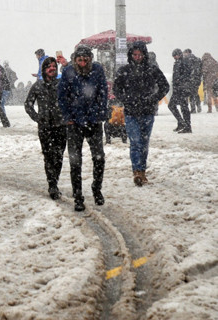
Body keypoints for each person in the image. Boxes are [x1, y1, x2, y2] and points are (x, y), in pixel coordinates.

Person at [58, 45, 108, 211]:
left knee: (99, 157)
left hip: (93, 120)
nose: (82, 62)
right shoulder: (68, 72)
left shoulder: (97, 70)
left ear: (90, 59)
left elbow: (103, 92)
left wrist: (101, 112)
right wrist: (68, 117)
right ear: (75, 60)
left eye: (85, 59)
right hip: (75, 122)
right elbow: (62, 96)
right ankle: (78, 196)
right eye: (79, 60)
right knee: (75, 161)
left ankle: (97, 188)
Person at [113, 41, 170, 187]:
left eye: (140, 54)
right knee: (135, 142)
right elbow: (116, 89)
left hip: (147, 112)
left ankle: (142, 170)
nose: (137, 57)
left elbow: (164, 86)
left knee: (144, 143)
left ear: (144, 55)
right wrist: (126, 99)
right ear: (130, 55)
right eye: (135, 54)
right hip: (131, 112)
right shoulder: (124, 70)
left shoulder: (152, 70)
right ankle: (136, 171)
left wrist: (153, 99)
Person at [24, 57, 66, 200]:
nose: (52, 68)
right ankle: (52, 185)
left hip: (61, 126)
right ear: (44, 69)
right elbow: (28, 105)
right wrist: (37, 118)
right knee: (48, 157)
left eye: (54, 66)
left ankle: (55, 181)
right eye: (49, 66)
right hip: (45, 127)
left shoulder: (62, 84)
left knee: (59, 156)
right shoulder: (37, 86)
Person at [168, 49, 194, 133]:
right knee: (178, 106)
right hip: (178, 88)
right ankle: (182, 123)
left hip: (181, 88)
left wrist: (179, 81)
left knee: (181, 107)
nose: (174, 57)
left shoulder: (183, 62)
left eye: (175, 55)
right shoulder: (178, 62)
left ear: (179, 54)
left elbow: (187, 75)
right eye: (173, 56)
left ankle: (185, 125)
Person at [183, 49, 203, 113]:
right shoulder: (198, 59)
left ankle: (193, 109)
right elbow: (201, 70)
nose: (184, 54)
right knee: (195, 93)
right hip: (197, 80)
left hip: (189, 79)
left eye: (184, 53)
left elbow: (186, 70)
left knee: (190, 94)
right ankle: (198, 105)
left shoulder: (186, 59)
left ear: (187, 53)